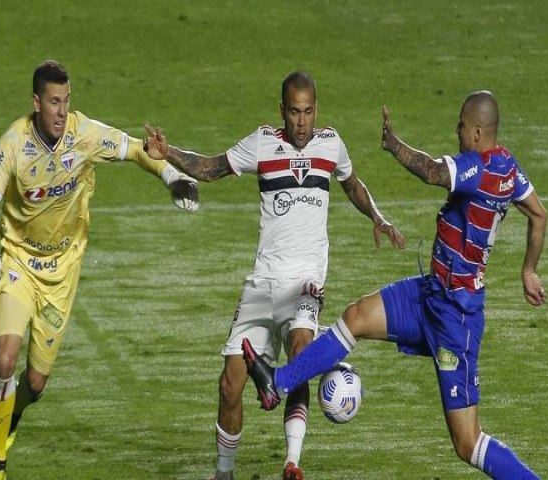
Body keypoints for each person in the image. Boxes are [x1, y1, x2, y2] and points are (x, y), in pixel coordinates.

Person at [243, 91, 548, 479]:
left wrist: (394, 145)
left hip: (455, 318)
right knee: (355, 316)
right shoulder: (508, 166)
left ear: (476, 131)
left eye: (459, 124)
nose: (455, 130)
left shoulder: (478, 168)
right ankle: (278, 383)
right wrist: (528, 270)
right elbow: (539, 214)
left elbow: (433, 172)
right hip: (429, 294)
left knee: (467, 443)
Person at [144, 71, 405, 480]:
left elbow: (352, 183)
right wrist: (168, 152)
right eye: (294, 112)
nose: (302, 122)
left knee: (301, 353)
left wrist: (378, 216)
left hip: (306, 281)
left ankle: (291, 462)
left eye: (308, 112)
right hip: (262, 282)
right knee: (230, 384)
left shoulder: (331, 144)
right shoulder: (263, 143)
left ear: (315, 109)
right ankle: (225, 473)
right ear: (281, 109)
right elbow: (211, 168)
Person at [0, 59, 199, 480]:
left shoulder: (84, 135)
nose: (61, 111)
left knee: (35, 383)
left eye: (67, 101)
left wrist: (170, 176)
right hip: (19, 263)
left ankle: (12, 415)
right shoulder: (13, 144)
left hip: (63, 272)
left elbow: (134, 149)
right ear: (36, 103)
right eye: (54, 102)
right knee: (5, 359)